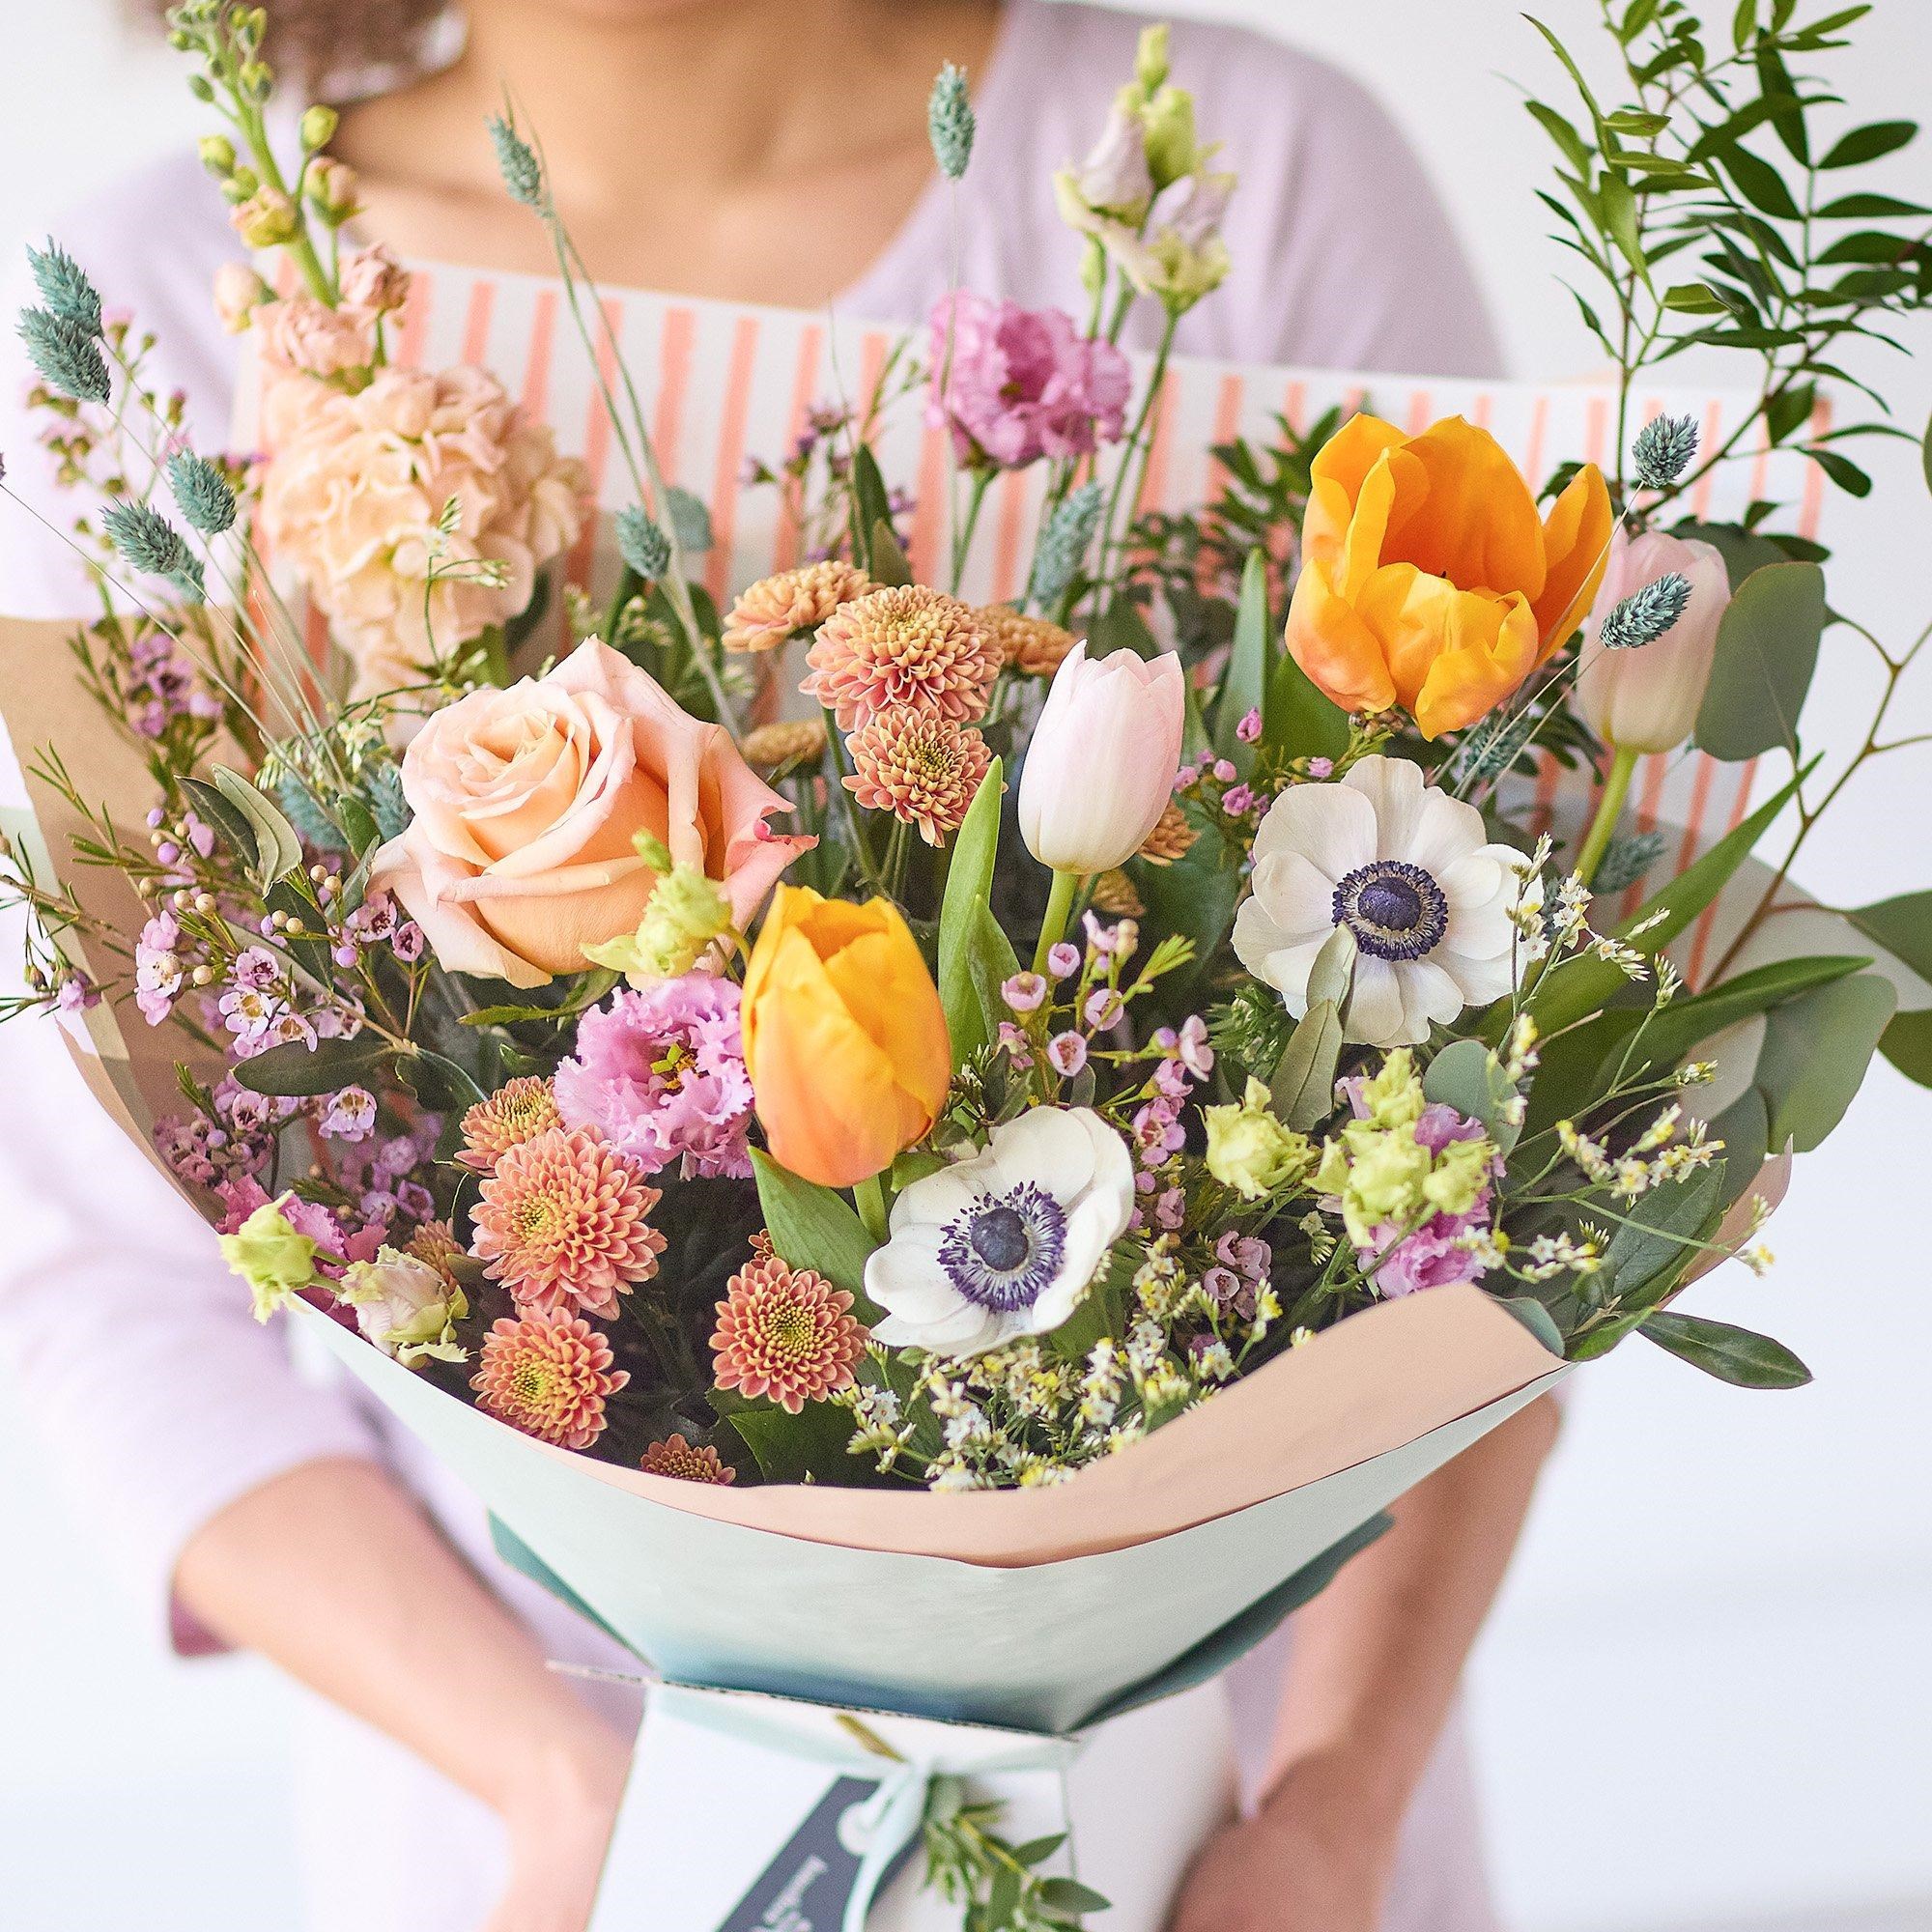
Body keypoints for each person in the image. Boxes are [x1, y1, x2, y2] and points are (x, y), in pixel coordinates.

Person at [0, 4, 1555, 1929]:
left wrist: (1329, 1810)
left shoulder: (1234, 174)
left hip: (1229, 1842)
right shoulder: (149, 320)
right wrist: (569, 1797)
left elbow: (1500, 1165)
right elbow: (121, 1286)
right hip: (540, 1847)